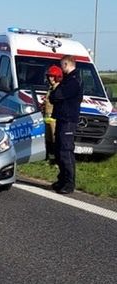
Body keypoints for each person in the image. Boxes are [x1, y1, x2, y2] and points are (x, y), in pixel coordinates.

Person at [49, 55, 83, 194]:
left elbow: (57, 95)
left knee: (66, 151)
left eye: (62, 65)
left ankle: (69, 183)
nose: (60, 69)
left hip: (68, 120)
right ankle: (62, 179)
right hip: (63, 119)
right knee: (59, 151)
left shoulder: (73, 81)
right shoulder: (68, 79)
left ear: (66, 64)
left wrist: (55, 94)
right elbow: (54, 96)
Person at [42, 65, 63, 161]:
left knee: (55, 141)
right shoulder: (51, 89)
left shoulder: (58, 89)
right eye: (49, 76)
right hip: (48, 120)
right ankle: (49, 157)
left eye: (52, 76)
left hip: (54, 120)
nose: (50, 78)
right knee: (48, 141)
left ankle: (55, 160)